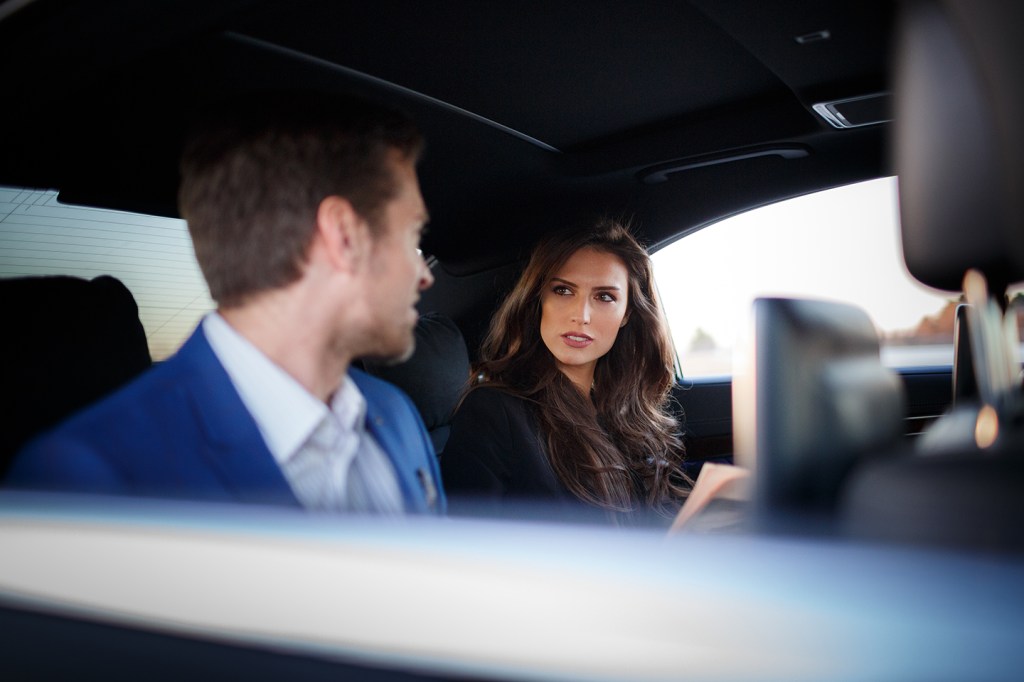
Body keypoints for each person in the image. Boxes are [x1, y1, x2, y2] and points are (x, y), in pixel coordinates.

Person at [7, 91, 445, 514]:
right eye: (412, 235)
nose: (423, 274)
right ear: (344, 236)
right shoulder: (85, 479)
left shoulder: (394, 415)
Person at [440, 219, 689, 523]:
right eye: (563, 290)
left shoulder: (627, 414)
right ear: (538, 300)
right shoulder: (493, 411)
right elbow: (469, 542)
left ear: (627, 314)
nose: (581, 316)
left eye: (604, 297)